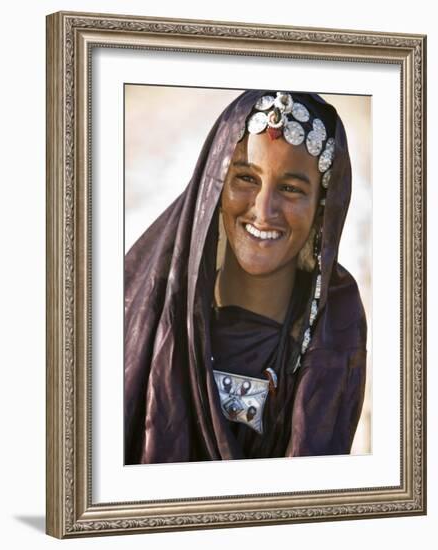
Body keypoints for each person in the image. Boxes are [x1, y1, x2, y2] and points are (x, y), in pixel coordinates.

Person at [124, 89, 367, 465]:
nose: (263, 209)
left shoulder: (334, 325)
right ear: (214, 187)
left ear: (322, 207)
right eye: (245, 179)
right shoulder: (142, 314)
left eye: (290, 188)